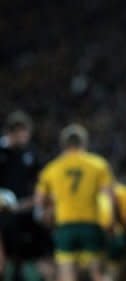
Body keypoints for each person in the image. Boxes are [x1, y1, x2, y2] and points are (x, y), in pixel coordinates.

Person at [34, 123, 117, 281]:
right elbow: (109, 196)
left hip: (65, 226)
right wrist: (111, 223)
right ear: (84, 143)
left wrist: (47, 215)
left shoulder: (52, 168)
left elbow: (40, 200)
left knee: (67, 275)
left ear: (63, 145)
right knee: (97, 273)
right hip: (91, 225)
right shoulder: (98, 165)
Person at [0, 111, 54, 281]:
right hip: (3, 212)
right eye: (23, 133)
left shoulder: (29, 153)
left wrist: (36, 201)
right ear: (12, 132)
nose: (26, 137)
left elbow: (40, 180)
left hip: (23, 210)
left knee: (25, 253)